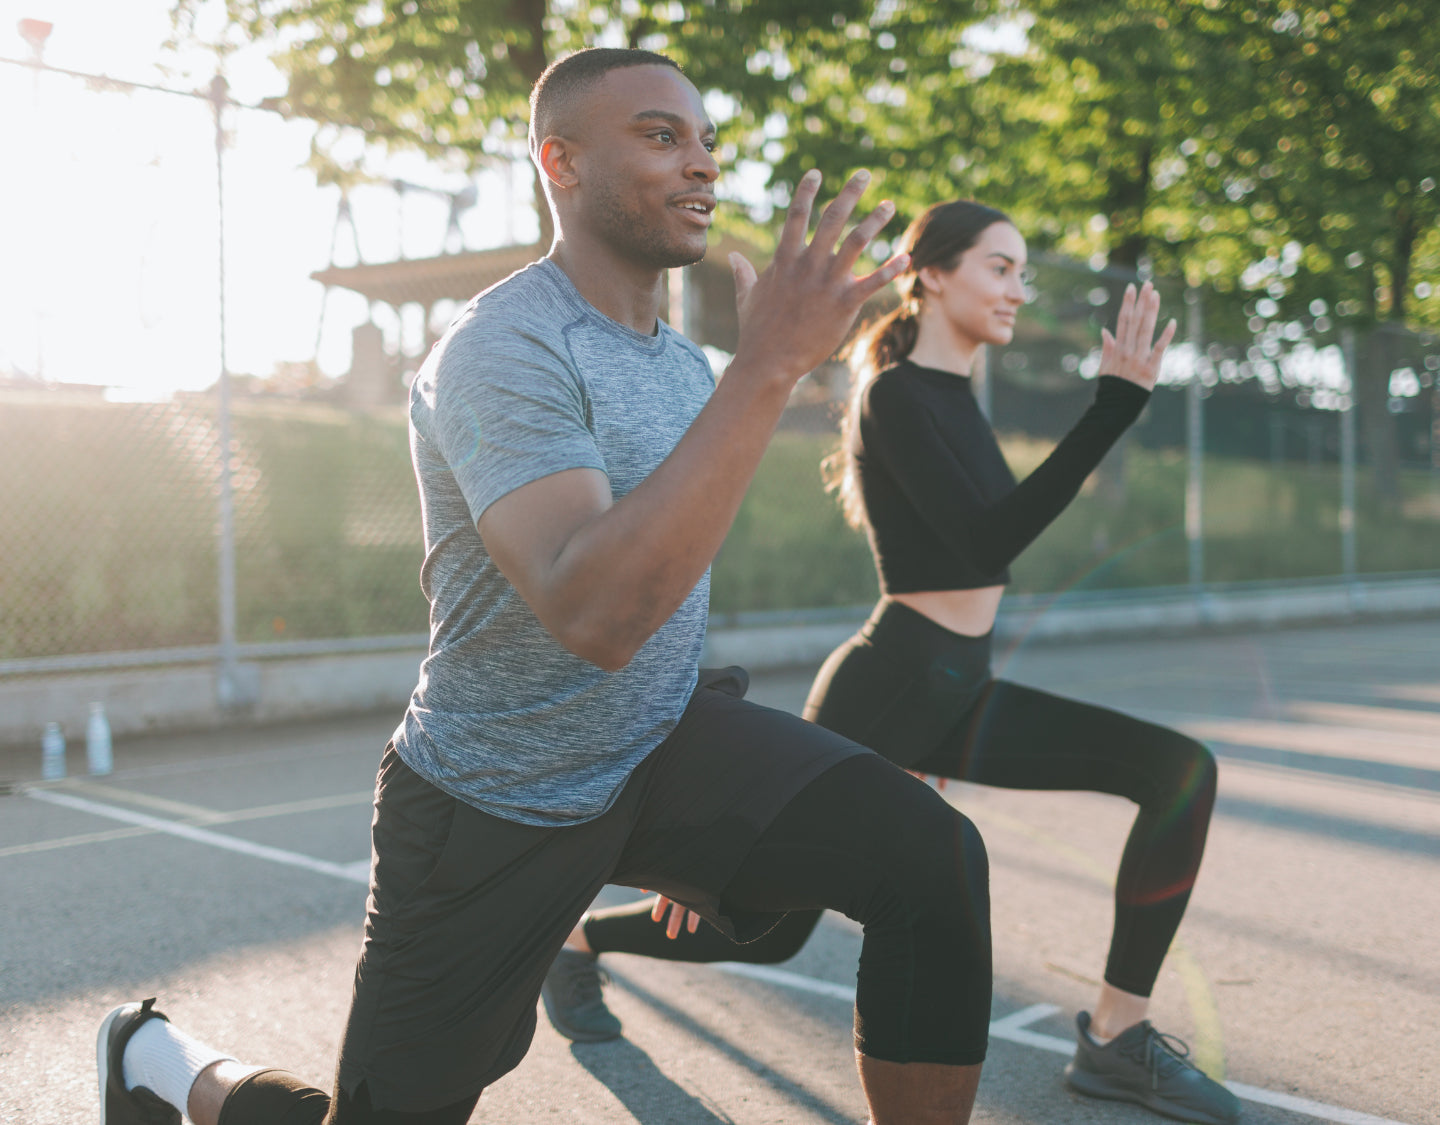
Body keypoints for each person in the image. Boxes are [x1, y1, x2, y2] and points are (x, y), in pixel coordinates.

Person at [98, 49, 997, 1125]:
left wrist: (711, 807)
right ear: (559, 159)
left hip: (659, 751)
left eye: (707, 141)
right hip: (493, 799)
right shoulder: (500, 348)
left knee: (932, 862)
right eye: (662, 136)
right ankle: (160, 1062)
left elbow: (668, 581)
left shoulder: (678, 366)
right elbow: (594, 613)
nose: (701, 164)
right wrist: (769, 368)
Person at [542, 202, 1242, 1125]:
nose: (1017, 290)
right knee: (765, 930)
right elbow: (988, 540)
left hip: (963, 687)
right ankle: (579, 940)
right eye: (1000, 267)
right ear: (934, 274)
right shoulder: (896, 395)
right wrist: (1112, 406)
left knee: (1178, 770)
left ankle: (1115, 1036)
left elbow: (988, 542)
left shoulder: (955, 400)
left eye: (1022, 271)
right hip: (890, 686)